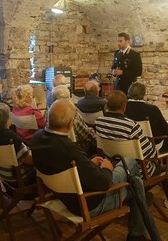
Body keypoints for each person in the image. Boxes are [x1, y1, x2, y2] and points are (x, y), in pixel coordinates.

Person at [31, 98, 152, 241]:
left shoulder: (37, 138)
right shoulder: (69, 149)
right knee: (131, 168)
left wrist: (89, 163)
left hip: (64, 196)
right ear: (71, 125)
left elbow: (69, 166)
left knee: (136, 182)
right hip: (87, 205)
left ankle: (138, 221)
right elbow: (103, 184)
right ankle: (136, 232)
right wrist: (107, 168)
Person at [96, 90, 168, 209]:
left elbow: (100, 147)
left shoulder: (99, 122)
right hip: (138, 171)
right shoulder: (131, 125)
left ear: (107, 105)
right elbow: (149, 154)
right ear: (124, 107)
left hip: (113, 166)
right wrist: (156, 153)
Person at [125, 82, 168, 168]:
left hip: (128, 144)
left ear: (129, 92)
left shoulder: (122, 107)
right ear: (143, 94)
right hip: (150, 144)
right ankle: (166, 171)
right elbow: (164, 128)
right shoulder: (152, 109)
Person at [0, 102, 36, 187]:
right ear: (6, 120)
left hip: (5, 178)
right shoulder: (11, 139)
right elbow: (30, 160)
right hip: (23, 179)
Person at [53, 85, 96, 157]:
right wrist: (92, 131)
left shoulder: (50, 114)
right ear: (68, 98)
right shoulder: (73, 115)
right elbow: (87, 137)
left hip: (57, 149)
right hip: (77, 151)